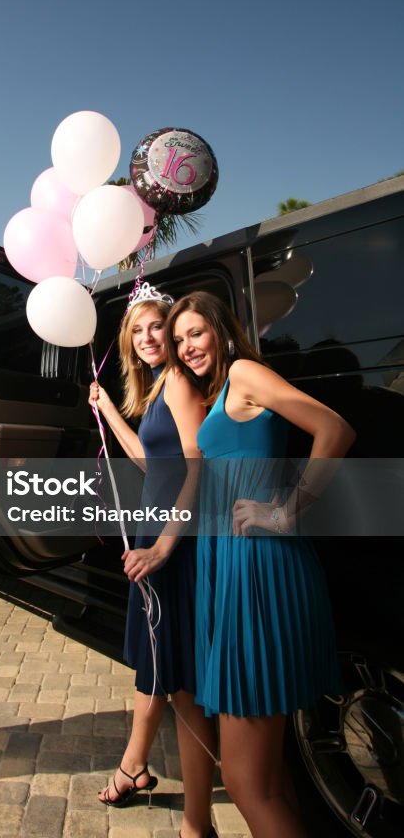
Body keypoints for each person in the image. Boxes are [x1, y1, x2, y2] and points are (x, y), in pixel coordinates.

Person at [125, 291, 355, 838]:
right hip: (231, 573)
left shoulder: (247, 373)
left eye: (195, 334)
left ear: (222, 332)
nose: (186, 346)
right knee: (269, 780)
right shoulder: (216, 390)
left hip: (259, 574)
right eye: (179, 340)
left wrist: (287, 512)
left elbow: (334, 430)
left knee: (249, 786)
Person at [90, 284, 217, 838]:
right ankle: (135, 767)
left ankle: (197, 821)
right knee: (160, 668)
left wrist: (166, 543)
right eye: (135, 331)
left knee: (177, 679)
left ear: (171, 329)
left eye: (154, 327)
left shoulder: (182, 385)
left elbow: (197, 468)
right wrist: (112, 414)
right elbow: (151, 462)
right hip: (155, 534)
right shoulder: (160, 386)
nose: (146, 338)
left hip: (174, 541)